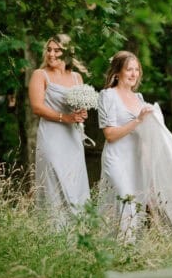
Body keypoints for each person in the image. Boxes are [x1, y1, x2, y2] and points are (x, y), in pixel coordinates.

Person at [28, 34, 89, 219]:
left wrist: (81, 114)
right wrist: (66, 117)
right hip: (51, 137)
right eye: (49, 50)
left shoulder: (77, 78)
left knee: (74, 182)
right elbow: (37, 107)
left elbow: (81, 105)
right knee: (53, 182)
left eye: (57, 50)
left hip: (73, 139)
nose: (51, 54)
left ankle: (78, 234)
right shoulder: (40, 75)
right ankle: (52, 232)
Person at [97, 51, 155, 240]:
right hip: (116, 157)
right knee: (126, 200)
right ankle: (121, 250)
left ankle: (126, 252)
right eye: (129, 69)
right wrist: (138, 120)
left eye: (136, 70)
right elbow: (110, 135)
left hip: (135, 159)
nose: (133, 74)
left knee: (136, 204)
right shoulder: (107, 96)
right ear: (117, 72)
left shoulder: (139, 98)